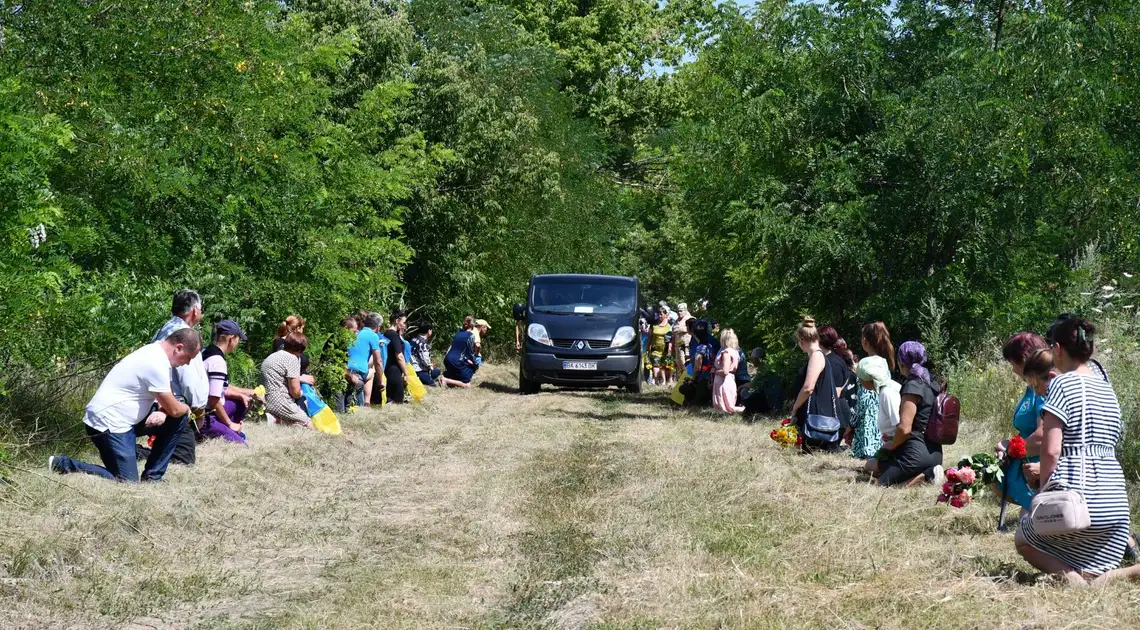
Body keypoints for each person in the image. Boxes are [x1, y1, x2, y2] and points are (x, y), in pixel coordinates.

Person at [1016, 317, 1136, 586]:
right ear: (1090, 350)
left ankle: (1073, 579)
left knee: (1023, 538)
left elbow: (1051, 449)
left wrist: (1043, 492)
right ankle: (1110, 576)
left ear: (1056, 349)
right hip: (1115, 507)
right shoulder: (1108, 389)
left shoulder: (1061, 384)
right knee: (1095, 566)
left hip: (1078, 503)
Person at [48, 329, 200, 481]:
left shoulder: (158, 355)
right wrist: (185, 408)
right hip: (108, 423)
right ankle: (62, 464)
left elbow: (169, 400)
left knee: (176, 419)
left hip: (126, 420)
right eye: (188, 358)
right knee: (127, 481)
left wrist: (164, 412)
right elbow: (174, 408)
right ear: (178, 348)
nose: (187, 363)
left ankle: (153, 477)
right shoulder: (155, 361)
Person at [149, 289, 210, 466]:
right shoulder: (185, 336)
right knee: (184, 458)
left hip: (163, 400)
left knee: (180, 450)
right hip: (174, 404)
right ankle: (135, 453)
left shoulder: (165, 328)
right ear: (195, 311)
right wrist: (198, 408)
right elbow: (189, 380)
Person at [995, 332, 1050, 512]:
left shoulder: (1042, 391)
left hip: (1038, 468)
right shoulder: (1031, 390)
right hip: (1028, 464)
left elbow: (1043, 436)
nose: (1012, 370)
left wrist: (1011, 450)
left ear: (1025, 359)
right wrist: (1009, 444)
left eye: (1013, 363)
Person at [877, 341, 943, 487]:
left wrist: (892, 445)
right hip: (936, 453)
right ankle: (928, 474)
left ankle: (926, 476)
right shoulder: (933, 385)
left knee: (881, 485)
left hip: (915, 454)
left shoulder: (913, 385)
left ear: (901, 362)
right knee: (875, 467)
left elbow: (904, 429)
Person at [200, 320, 259, 446]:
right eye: (238, 339)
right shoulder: (217, 361)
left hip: (202, 412)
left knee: (240, 402)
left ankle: (227, 430)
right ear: (231, 339)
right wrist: (230, 424)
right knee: (242, 445)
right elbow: (214, 399)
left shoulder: (206, 352)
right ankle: (224, 431)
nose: (238, 343)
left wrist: (245, 393)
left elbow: (221, 386)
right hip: (206, 418)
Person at [789, 317, 840, 452]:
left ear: (802, 340)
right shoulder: (816, 356)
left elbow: (808, 388)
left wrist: (795, 408)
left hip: (817, 419)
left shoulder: (816, 357)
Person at [260, 333, 312, 427]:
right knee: (307, 422)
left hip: (264, 401)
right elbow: (295, 392)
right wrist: (303, 393)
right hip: (279, 402)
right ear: (301, 348)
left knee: (295, 424)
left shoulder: (273, 356)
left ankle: (274, 420)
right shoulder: (291, 359)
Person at [853, 356, 898, 464]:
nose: (859, 381)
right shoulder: (887, 389)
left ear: (869, 378)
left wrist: (888, 447)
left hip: (899, 446)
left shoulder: (887, 394)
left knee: (870, 466)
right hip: (892, 445)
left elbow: (902, 427)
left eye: (860, 378)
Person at [819, 325, 857, 438]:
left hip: (837, 418)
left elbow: (836, 392)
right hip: (835, 416)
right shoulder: (828, 359)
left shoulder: (833, 362)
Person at [347, 313, 385, 406]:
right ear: (377, 326)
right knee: (372, 372)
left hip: (347, 370)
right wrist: (380, 382)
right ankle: (366, 403)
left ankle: (367, 402)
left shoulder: (356, 333)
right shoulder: (373, 336)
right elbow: (378, 361)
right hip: (358, 373)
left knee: (371, 372)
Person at [712, 329, 745, 413]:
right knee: (728, 406)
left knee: (726, 407)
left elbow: (725, 371)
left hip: (723, 382)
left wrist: (714, 371)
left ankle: (746, 410)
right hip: (730, 380)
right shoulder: (735, 352)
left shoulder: (726, 353)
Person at [687, 319, 716, 406]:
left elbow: (697, 367)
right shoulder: (714, 341)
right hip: (716, 376)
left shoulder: (701, 345)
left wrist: (693, 380)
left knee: (686, 390)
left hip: (705, 378)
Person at [443, 322, 480, 387]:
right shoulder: (471, 335)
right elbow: (470, 353)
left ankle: (450, 376)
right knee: (468, 385)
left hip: (447, 359)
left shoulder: (458, 332)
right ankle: (446, 380)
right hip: (457, 361)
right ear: (473, 327)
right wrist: (474, 363)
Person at [384, 311, 409, 404]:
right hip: (394, 370)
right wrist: (406, 373)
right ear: (397, 321)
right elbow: (399, 356)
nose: (404, 325)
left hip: (389, 369)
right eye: (403, 322)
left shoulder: (387, 333)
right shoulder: (393, 335)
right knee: (398, 401)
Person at [648, 307, 673, 385]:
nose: (659, 316)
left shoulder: (670, 326)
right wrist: (647, 348)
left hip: (666, 350)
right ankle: (656, 381)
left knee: (666, 368)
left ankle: (666, 380)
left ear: (666, 315)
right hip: (655, 350)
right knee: (656, 365)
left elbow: (672, 339)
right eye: (658, 314)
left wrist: (670, 350)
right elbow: (649, 338)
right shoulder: (654, 325)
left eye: (661, 314)